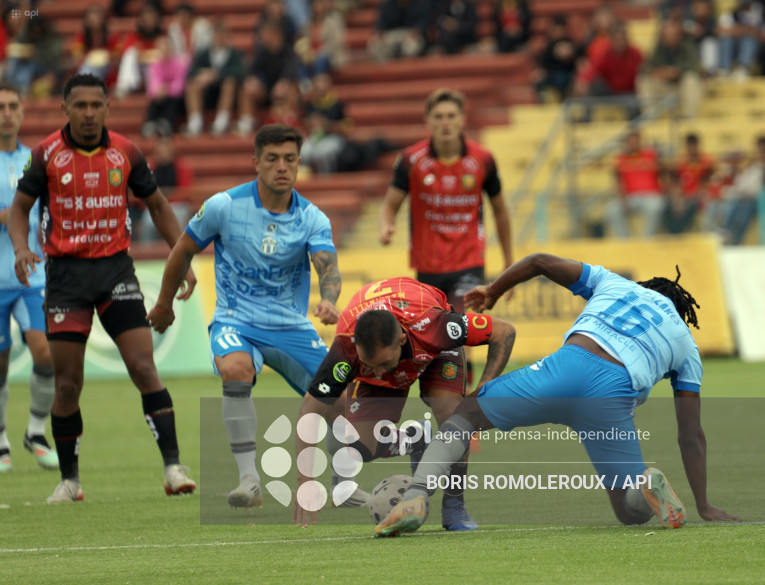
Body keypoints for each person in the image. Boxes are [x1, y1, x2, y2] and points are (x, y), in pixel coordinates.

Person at [375, 253, 742, 537]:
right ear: (680, 312)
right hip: (613, 397)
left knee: (466, 415)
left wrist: (494, 290)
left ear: (647, 288)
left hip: (566, 368)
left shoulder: (618, 284)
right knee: (629, 512)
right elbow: (691, 435)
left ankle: (414, 499)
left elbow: (539, 261)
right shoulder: (688, 348)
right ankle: (644, 485)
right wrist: (705, 504)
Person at [148, 124, 365, 509]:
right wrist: (164, 305)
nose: (282, 167)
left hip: (290, 324)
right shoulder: (224, 206)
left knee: (344, 398)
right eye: (272, 159)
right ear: (256, 162)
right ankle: (249, 479)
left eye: (290, 159)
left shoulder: (312, 217)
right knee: (235, 369)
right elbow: (182, 250)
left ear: (299, 163)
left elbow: (327, 267)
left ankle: (344, 485)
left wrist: (330, 300)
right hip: (236, 319)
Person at [7, 74, 197, 503]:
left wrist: (181, 258)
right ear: (65, 110)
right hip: (66, 279)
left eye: (96, 105)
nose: (89, 113)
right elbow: (19, 210)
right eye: (80, 106)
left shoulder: (126, 152)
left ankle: (173, 468)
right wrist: (21, 248)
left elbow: (159, 206)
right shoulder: (46, 155)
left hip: (116, 274)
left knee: (144, 368)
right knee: (68, 384)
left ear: (108, 108)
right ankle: (70, 480)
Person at [293, 277, 516, 529]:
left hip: (434, 350)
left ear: (400, 340)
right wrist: (305, 480)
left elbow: (504, 331)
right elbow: (310, 408)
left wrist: (481, 391)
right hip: (388, 342)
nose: (378, 374)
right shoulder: (346, 347)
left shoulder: (435, 325)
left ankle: (454, 505)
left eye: (384, 364)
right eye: (370, 365)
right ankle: (419, 437)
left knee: (454, 417)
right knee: (360, 448)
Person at [379, 88, 514, 387]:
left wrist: (508, 264)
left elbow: (501, 213)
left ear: (462, 119)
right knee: (435, 343)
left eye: (451, 116)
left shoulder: (483, 160)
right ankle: (446, 406)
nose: (445, 122)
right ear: (427, 121)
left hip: (469, 263)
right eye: (438, 116)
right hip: (427, 269)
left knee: (463, 336)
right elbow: (390, 205)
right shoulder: (411, 160)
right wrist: (386, 226)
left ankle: (467, 407)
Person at [0, 81, 57, 473]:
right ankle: (1, 438)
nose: (6, 112)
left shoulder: (37, 161)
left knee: (46, 353)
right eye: (1, 106)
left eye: (13, 106)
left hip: (31, 277)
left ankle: (35, 431)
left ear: (22, 112)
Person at [605, 130, 666, 239]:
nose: (633, 144)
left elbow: (663, 173)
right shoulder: (621, 159)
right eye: (630, 142)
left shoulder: (651, 155)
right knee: (612, 210)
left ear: (640, 142)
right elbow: (618, 181)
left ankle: (648, 240)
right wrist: (622, 198)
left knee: (656, 206)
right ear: (626, 143)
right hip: (630, 197)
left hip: (651, 195)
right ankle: (625, 241)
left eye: (636, 141)